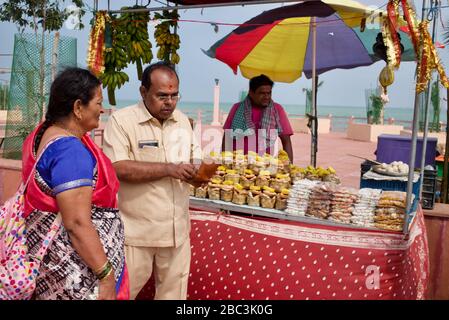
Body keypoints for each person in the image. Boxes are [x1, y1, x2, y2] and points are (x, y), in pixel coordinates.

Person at [21, 67, 129, 300]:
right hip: (76, 275)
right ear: (78, 107)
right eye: (98, 102)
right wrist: (106, 275)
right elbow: (77, 222)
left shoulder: (43, 135)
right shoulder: (70, 151)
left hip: (55, 268)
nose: (101, 109)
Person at [102, 61, 201, 300]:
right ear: (143, 92)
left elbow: (195, 158)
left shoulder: (183, 122)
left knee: (174, 298)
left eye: (174, 95)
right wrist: (168, 169)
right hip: (137, 233)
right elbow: (116, 167)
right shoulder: (122, 122)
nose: (169, 102)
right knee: (120, 296)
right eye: (162, 96)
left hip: (177, 233)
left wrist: (199, 174)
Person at [222, 74, 294, 162]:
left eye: (269, 93)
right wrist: (224, 162)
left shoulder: (277, 110)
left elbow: (286, 141)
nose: (266, 97)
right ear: (251, 93)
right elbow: (227, 138)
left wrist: (289, 166)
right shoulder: (237, 108)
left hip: (264, 165)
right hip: (238, 163)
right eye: (262, 93)